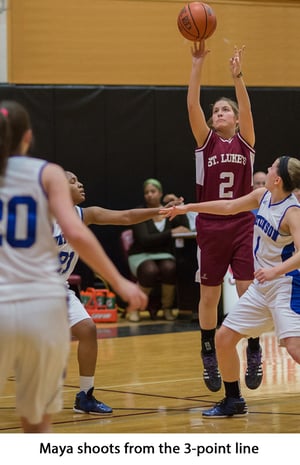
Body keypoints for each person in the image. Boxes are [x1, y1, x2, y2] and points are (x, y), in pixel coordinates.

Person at [0, 100, 147, 433]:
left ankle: (85, 394)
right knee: (36, 424)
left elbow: (115, 218)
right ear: (28, 137)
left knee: (87, 329)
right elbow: (77, 234)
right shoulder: (45, 174)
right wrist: (120, 283)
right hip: (39, 299)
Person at [160, 155, 300, 417]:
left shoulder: (293, 212)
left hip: (286, 284)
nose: (267, 168)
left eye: (271, 167)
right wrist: (188, 208)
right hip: (263, 286)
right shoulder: (262, 196)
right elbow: (228, 206)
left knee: (294, 348)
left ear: (277, 178)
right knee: (224, 338)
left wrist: (274, 271)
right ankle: (233, 400)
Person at [55, 170, 181, 414]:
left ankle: (85, 395)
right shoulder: (38, 217)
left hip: (57, 289)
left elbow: (125, 217)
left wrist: (160, 211)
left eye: (80, 180)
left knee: (88, 330)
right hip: (30, 289)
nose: (80, 184)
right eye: (73, 181)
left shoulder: (85, 215)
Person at [186, 41, 262, 393]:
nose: (217, 114)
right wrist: (198, 63)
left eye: (223, 110)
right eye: (214, 110)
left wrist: (237, 77)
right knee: (209, 295)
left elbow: (246, 106)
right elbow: (191, 104)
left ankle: (254, 350)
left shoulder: (245, 141)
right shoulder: (206, 142)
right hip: (211, 226)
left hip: (243, 224)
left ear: (234, 118)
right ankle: (207, 352)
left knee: (248, 291)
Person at [127, 178, 191, 322]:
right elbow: (145, 240)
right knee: (150, 270)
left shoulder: (168, 211)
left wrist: (179, 206)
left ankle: (167, 308)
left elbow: (185, 228)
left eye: (153, 191)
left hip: (163, 254)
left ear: (160, 193)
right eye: (146, 192)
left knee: (170, 267)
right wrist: (170, 233)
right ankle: (136, 307)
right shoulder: (140, 212)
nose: (149, 195)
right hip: (140, 254)